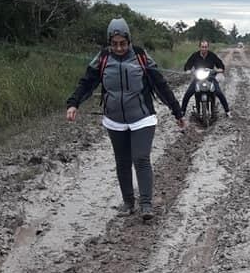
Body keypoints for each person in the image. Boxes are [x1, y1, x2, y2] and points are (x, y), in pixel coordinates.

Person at [66, 18, 185, 220]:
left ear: (129, 41)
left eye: (123, 43)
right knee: (122, 161)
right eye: (114, 44)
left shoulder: (140, 56)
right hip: (114, 119)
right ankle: (128, 203)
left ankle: (146, 205)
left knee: (140, 158)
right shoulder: (103, 58)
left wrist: (177, 112)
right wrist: (73, 103)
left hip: (142, 118)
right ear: (109, 43)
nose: (119, 48)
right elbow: (87, 83)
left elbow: (160, 84)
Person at [180, 40, 230, 118]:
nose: (204, 49)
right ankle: (182, 111)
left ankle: (227, 111)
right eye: (202, 47)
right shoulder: (195, 55)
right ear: (199, 47)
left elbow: (222, 67)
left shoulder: (212, 55)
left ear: (208, 47)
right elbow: (187, 66)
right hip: (198, 78)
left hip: (210, 78)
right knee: (188, 94)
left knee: (219, 93)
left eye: (205, 47)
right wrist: (188, 70)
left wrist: (215, 70)